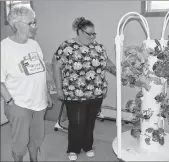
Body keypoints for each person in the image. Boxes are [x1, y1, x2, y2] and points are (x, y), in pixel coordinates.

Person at [52, 17, 116, 161]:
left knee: (90, 122)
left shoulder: (98, 47)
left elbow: (108, 63)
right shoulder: (67, 46)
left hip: (96, 92)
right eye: (89, 34)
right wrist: (59, 88)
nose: (92, 37)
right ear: (79, 31)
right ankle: (73, 149)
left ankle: (87, 146)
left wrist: (119, 71)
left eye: (94, 34)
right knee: (77, 123)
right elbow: (56, 65)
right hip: (75, 93)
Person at [1, 4, 52, 162]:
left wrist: (46, 93)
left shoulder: (34, 44)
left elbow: (39, 71)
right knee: (20, 142)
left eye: (34, 22)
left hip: (39, 102)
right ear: (17, 25)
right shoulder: (4, 48)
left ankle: (34, 160)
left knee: (36, 138)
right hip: (19, 103)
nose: (34, 27)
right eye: (30, 23)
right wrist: (9, 100)